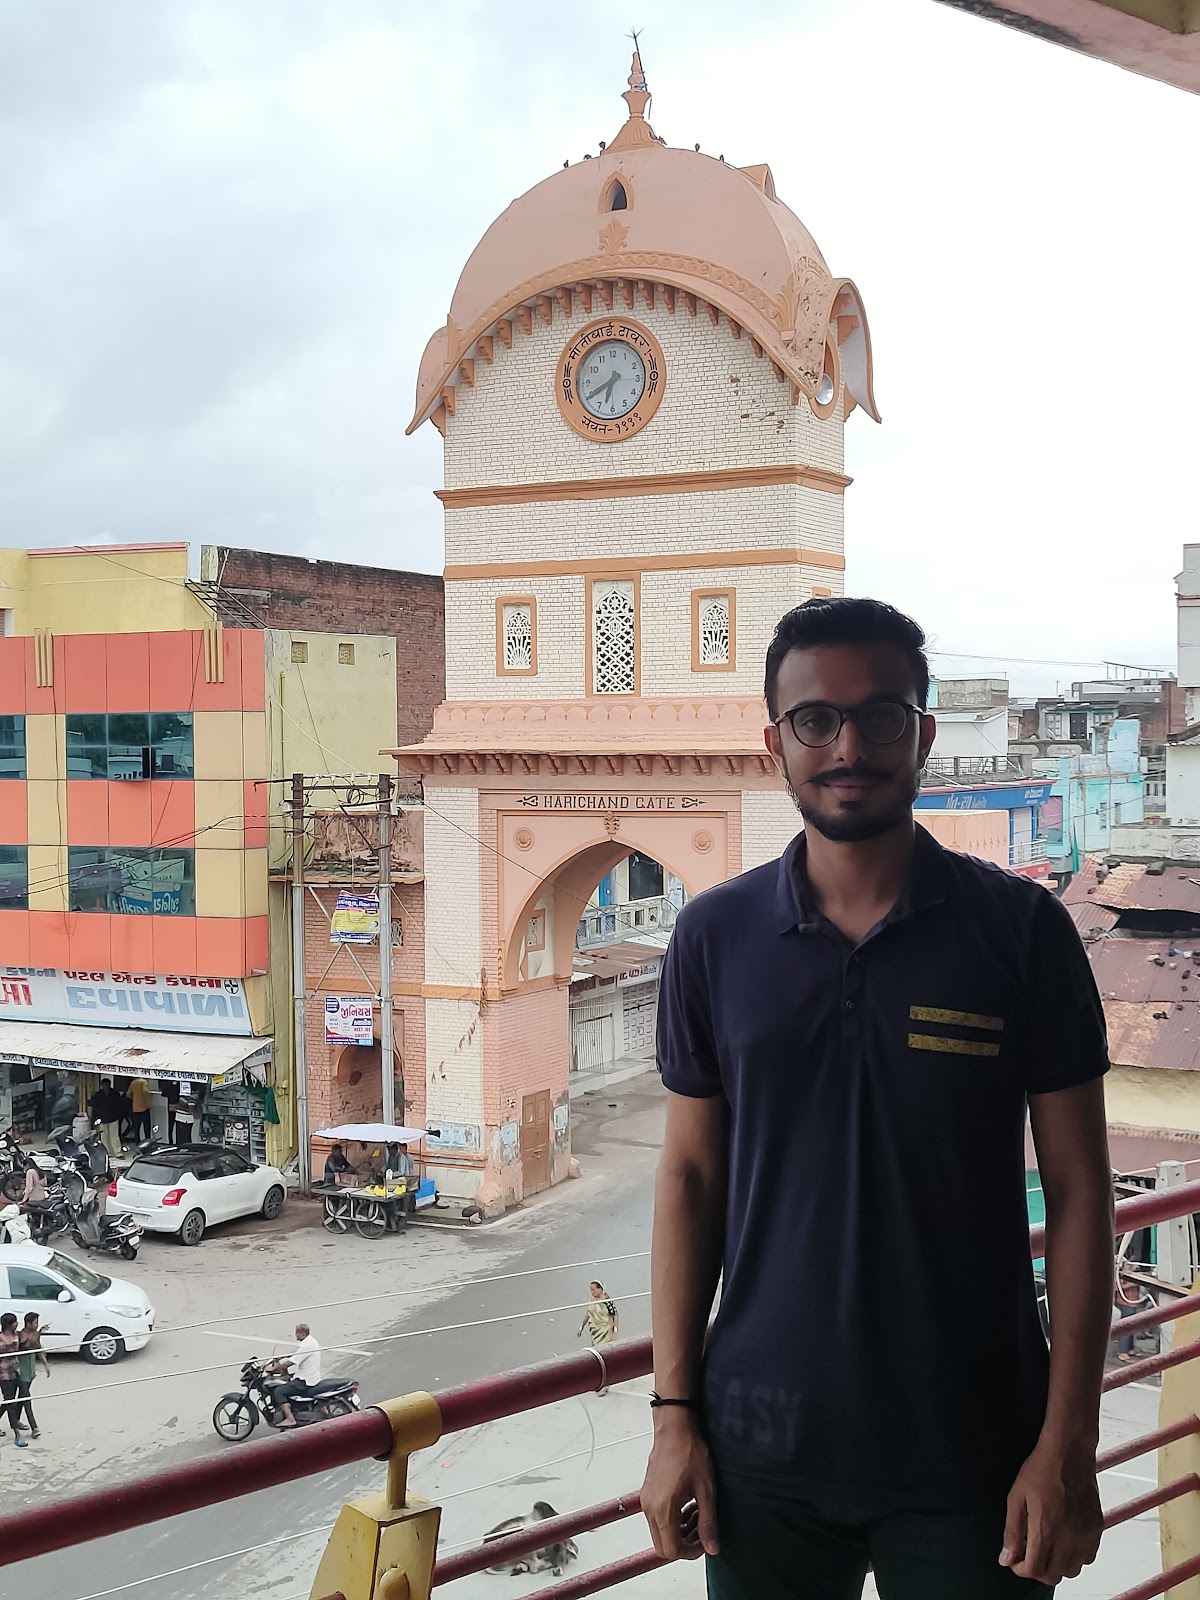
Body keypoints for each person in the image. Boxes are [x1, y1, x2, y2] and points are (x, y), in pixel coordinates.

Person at [641, 597, 1114, 1599]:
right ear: (776, 740)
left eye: (880, 714)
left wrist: (1069, 1438)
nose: (846, 744)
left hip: (976, 1450)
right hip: (759, 1451)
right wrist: (675, 1416)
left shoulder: (1020, 933)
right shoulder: (714, 940)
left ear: (924, 732)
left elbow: (1080, 1192)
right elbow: (689, 1177)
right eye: (816, 719)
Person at [270, 1323, 321, 1429]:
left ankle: (290, 1419)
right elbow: (296, 1353)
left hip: (305, 1380)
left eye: (296, 1333)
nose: (295, 1335)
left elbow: (292, 1361)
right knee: (287, 1380)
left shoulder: (306, 1345)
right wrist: (281, 1357)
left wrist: (274, 1368)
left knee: (279, 1391)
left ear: (302, 1333)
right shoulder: (310, 1341)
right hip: (310, 1376)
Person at [13, 1313, 49, 1440]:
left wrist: (46, 1365)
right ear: (28, 1323)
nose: (36, 1325)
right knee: (26, 1399)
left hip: (30, 1371)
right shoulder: (21, 1335)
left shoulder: (35, 1334)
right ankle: (34, 1427)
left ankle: (15, 1421)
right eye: (35, 1323)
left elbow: (39, 1349)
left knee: (21, 1398)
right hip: (21, 1371)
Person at [578, 1281, 619, 1394]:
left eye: (594, 1289)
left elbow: (614, 1315)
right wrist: (582, 1326)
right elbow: (588, 1314)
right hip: (595, 1333)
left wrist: (615, 1329)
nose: (592, 1292)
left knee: (604, 1357)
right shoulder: (592, 1302)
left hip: (605, 1332)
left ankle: (606, 1384)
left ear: (600, 1289)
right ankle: (599, 1381)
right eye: (590, 1290)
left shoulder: (607, 1301)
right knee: (596, 1357)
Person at [0, 1312, 27, 1448]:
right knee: (10, 1402)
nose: (17, 1324)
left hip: (16, 1372)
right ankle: (17, 1433)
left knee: (11, 1400)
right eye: (14, 1322)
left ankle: (15, 1422)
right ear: (8, 1324)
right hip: (3, 1374)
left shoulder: (17, 1335)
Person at [1113, 1274, 1152, 1363]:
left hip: (1133, 1302)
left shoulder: (1134, 1274)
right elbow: (1117, 1287)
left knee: (1132, 1326)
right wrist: (1133, 1283)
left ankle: (1130, 1348)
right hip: (1125, 1302)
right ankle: (1123, 1351)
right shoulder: (1121, 1274)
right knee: (1126, 1326)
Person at [88, 1078, 122, 1159]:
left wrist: (118, 1115)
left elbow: (119, 1106)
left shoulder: (115, 1094)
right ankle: (107, 1152)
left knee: (115, 1136)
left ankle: (118, 1153)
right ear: (102, 1085)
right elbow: (95, 1108)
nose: (106, 1086)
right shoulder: (98, 1095)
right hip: (102, 1118)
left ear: (109, 1085)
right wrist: (94, 1119)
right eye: (104, 1085)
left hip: (113, 1118)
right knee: (104, 1137)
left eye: (107, 1084)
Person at [127, 1077, 152, 1144]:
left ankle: (137, 1143)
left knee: (136, 1129)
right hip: (144, 1108)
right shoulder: (143, 1082)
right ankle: (148, 1143)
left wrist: (135, 1098)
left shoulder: (133, 1083)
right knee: (146, 1128)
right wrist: (149, 1094)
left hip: (135, 1108)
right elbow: (145, 1091)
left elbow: (128, 1094)